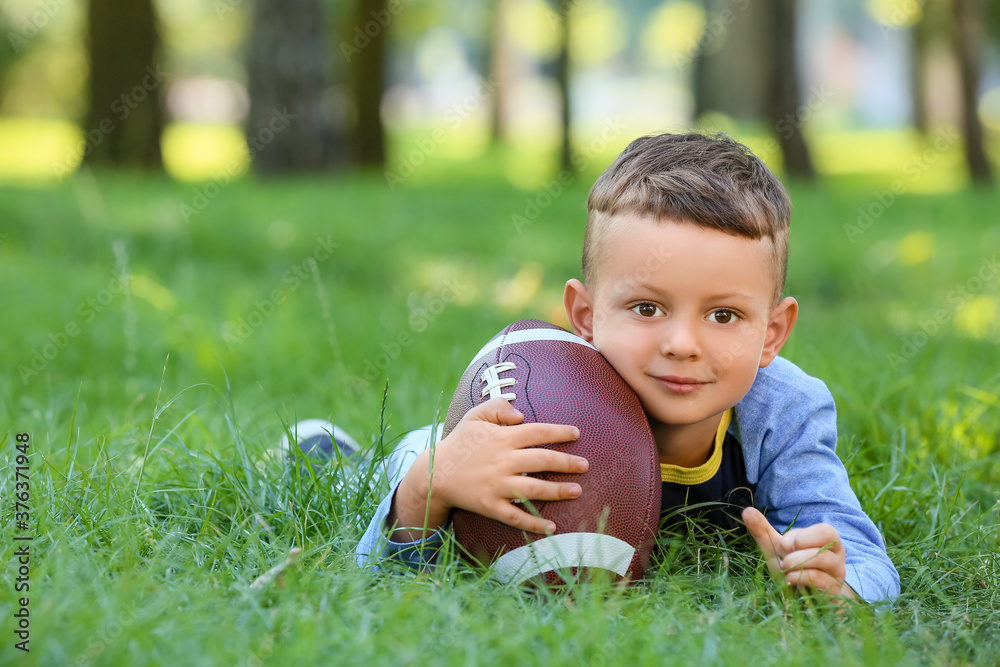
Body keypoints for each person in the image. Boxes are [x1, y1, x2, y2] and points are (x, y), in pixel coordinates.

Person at [332, 132, 898, 603]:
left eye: (723, 315)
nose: (682, 344)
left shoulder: (783, 411)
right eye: (647, 308)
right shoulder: (548, 402)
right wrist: (422, 494)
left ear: (772, 332)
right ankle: (332, 455)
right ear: (585, 314)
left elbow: (863, 554)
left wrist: (838, 582)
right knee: (397, 465)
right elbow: (378, 579)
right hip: (459, 448)